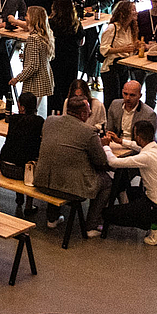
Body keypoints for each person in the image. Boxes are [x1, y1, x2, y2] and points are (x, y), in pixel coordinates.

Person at [35, 96, 111, 233]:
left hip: (42, 182)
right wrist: (103, 145)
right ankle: (91, 226)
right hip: (71, 190)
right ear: (83, 114)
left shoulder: (50, 121)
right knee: (107, 182)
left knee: (58, 165)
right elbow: (100, 161)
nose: (90, 114)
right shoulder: (88, 131)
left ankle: (52, 218)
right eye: (89, 111)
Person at [101, 119, 157, 243]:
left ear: (138, 137)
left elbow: (113, 162)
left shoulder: (146, 157)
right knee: (130, 192)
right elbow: (141, 147)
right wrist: (120, 141)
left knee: (108, 214)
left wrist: (105, 145)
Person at [97, 0, 140, 104]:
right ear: (124, 13)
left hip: (124, 67)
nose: (136, 12)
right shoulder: (112, 28)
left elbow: (130, 50)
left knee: (122, 100)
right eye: (132, 10)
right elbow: (104, 50)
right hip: (111, 68)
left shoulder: (131, 29)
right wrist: (123, 49)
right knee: (112, 100)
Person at [12, 5, 55, 104]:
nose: (25, 18)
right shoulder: (46, 35)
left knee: (29, 111)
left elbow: (33, 66)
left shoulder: (33, 39)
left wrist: (17, 78)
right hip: (44, 78)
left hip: (34, 83)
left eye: (27, 15)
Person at [0, 91, 45, 180]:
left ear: (23, 108)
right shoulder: (39, 122)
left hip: (4, 165)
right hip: (22, 169)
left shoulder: (13, 119)